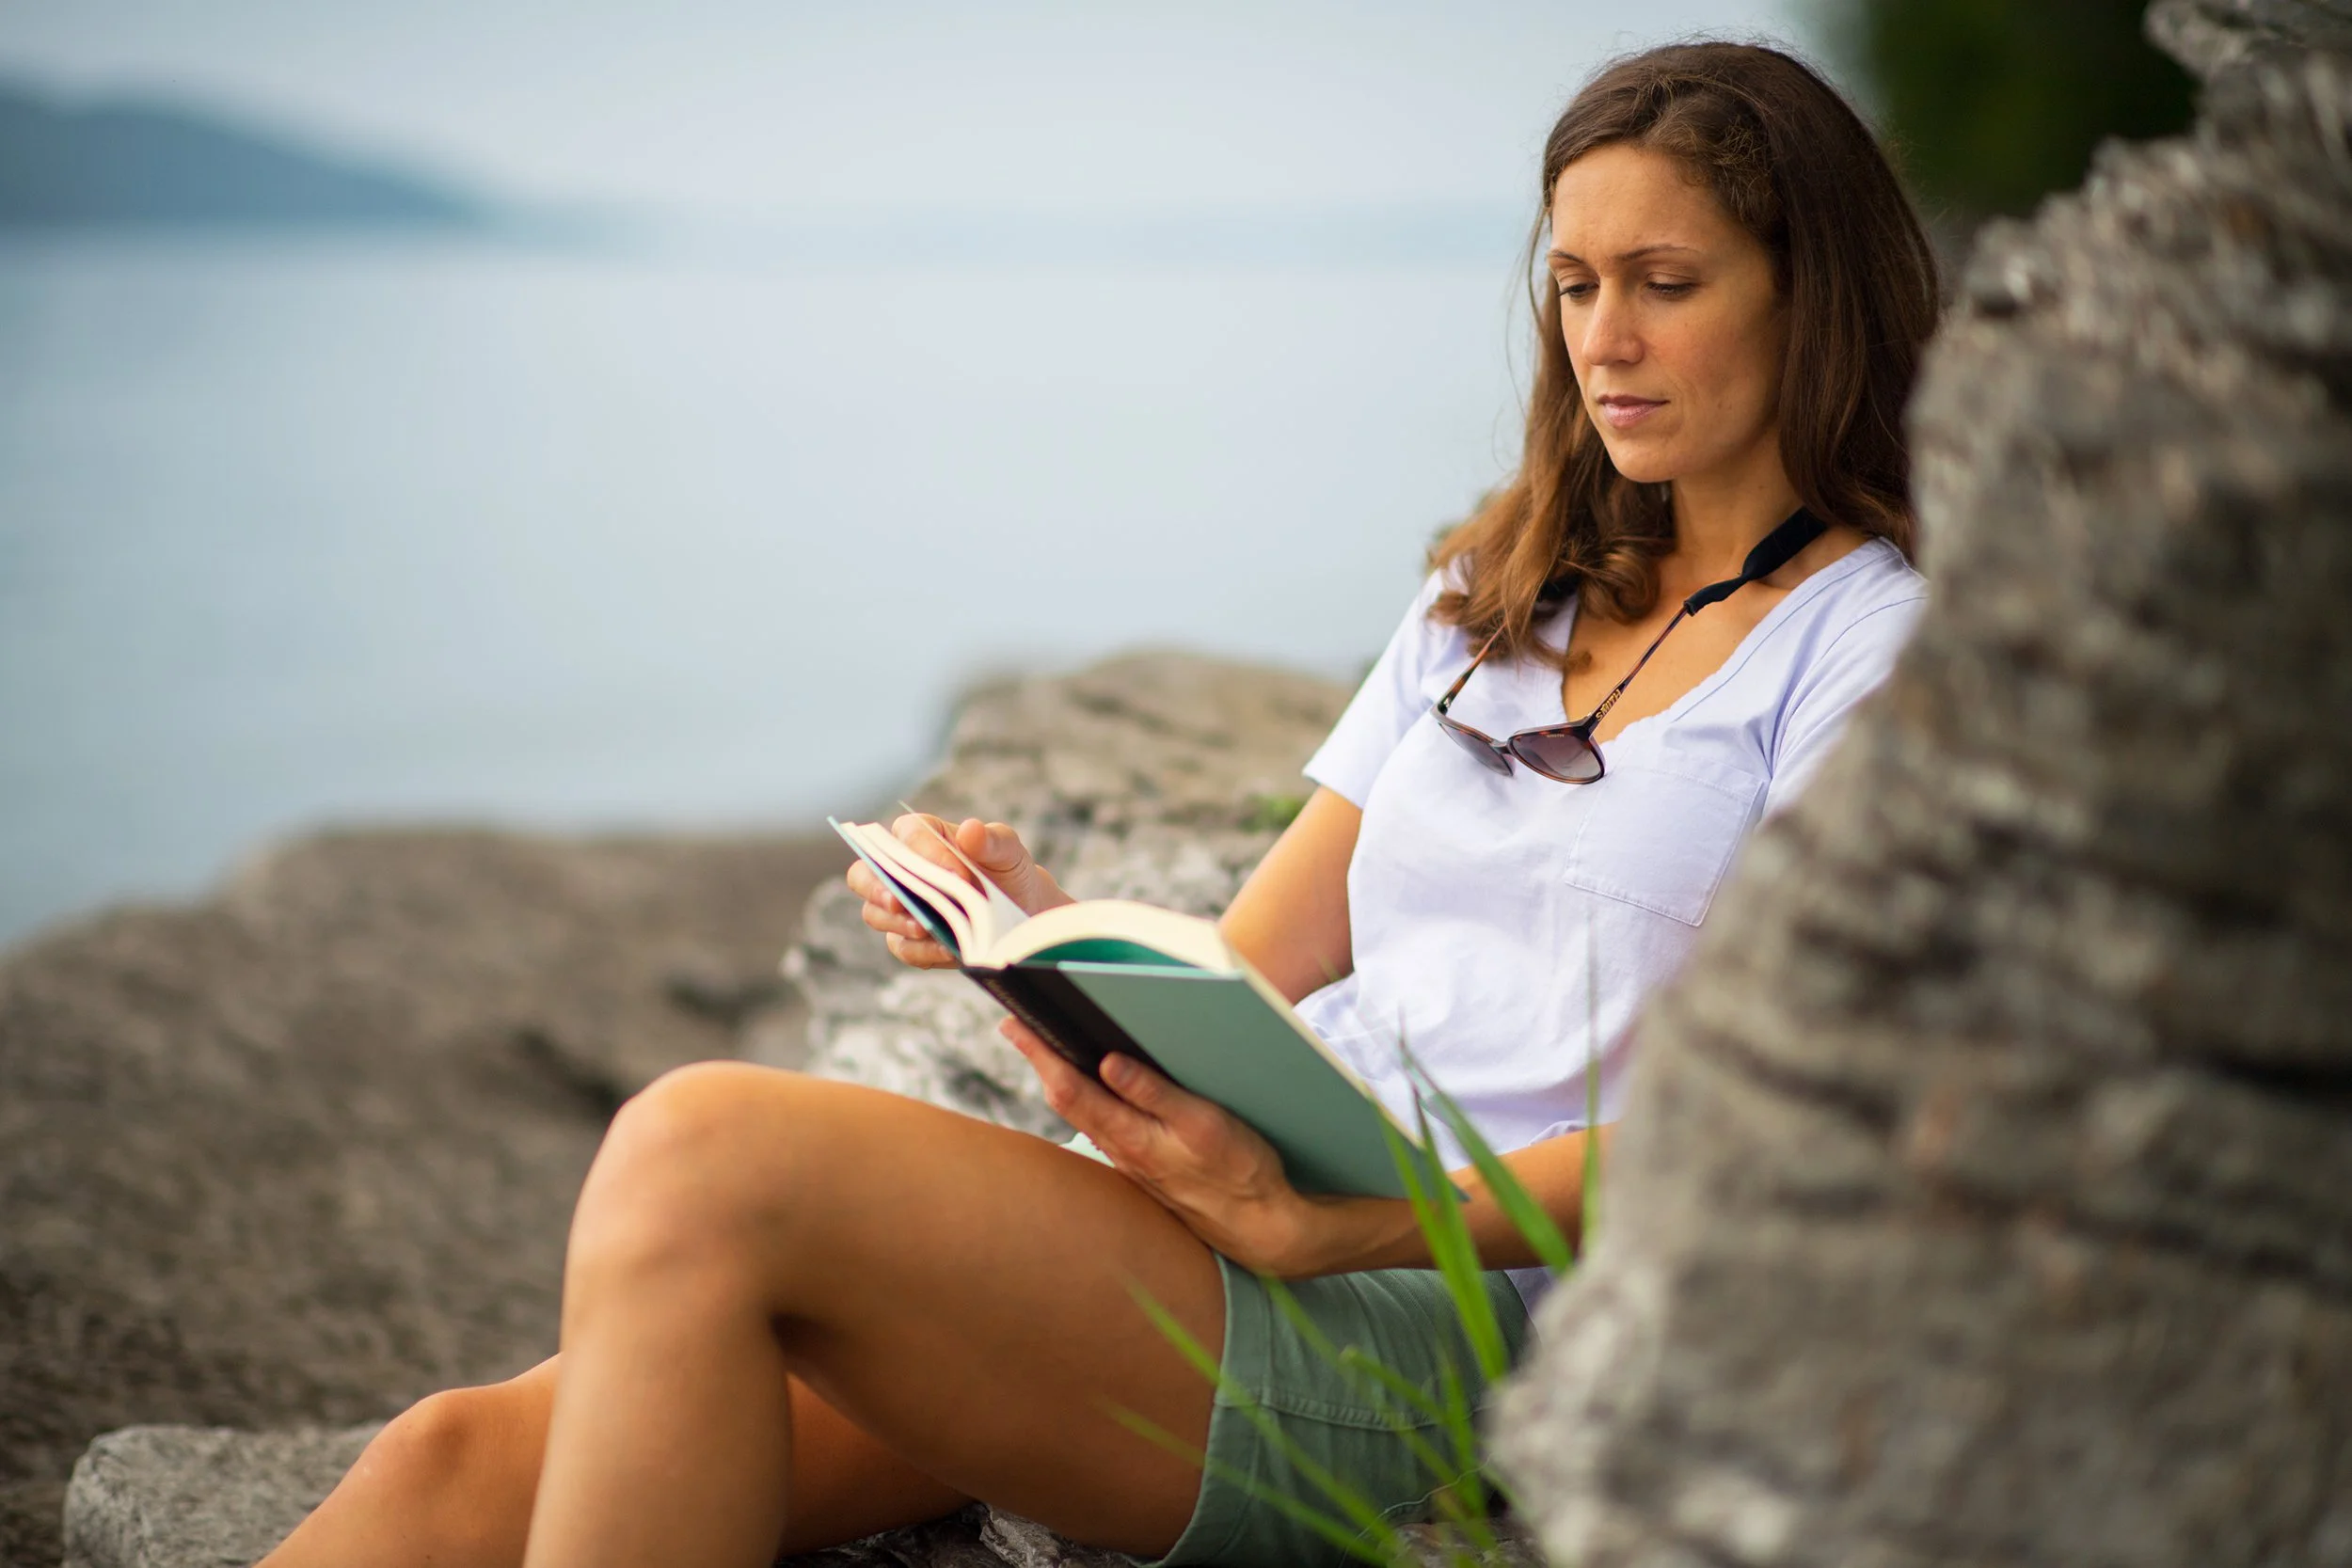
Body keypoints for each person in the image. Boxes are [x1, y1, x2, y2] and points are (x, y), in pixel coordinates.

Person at [259, 39, 1939, 1568]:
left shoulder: (1873, 638)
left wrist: (1344, 1225)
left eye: (1666, 282)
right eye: (1573, 283)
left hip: (1461, 1307)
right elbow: (1251, 969)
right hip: (1232, 1212)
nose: (1604, 339)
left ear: (1812, 298)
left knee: (706, 1146)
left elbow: (1799, 1118)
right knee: (451, 1461)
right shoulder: (1486, 595)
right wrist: (1039, 940)